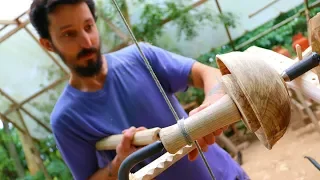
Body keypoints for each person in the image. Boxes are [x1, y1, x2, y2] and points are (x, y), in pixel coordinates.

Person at [29, 0, 250, 179]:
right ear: (48, 44)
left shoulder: (139, 57)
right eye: (69, 34)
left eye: (89, 27)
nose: (87, 42)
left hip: (227, 175)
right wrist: (119, 164)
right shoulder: (66, 118)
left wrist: (212, 103)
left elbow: (207, 73)